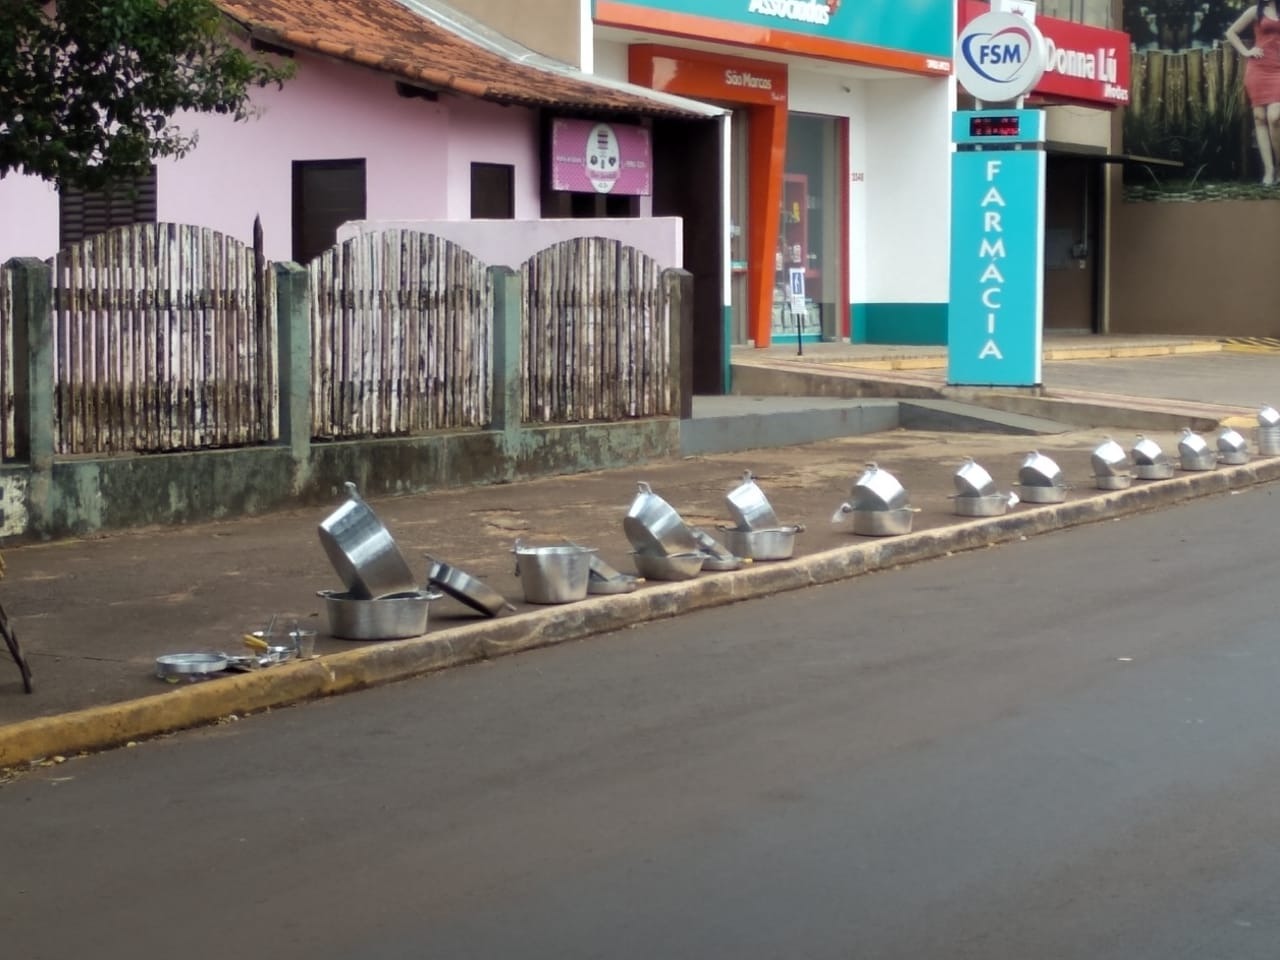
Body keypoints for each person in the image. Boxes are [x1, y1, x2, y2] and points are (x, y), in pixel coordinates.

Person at [1227, 0, 1280, 184]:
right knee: (1259, 118)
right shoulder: (1255, 11)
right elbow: (1231, 32)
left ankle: (1279, 166)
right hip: (1258, 69)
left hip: (1278, 71)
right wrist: (1246, 51)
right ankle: (1269, 171)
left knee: (1275, 117)